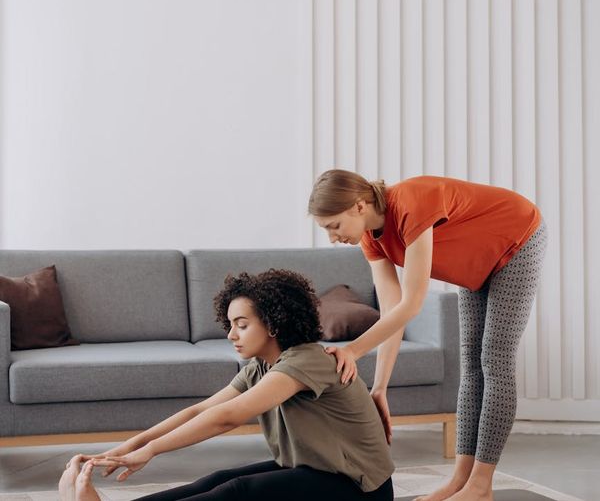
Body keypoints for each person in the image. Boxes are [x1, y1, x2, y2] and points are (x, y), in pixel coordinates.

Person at [308, 170, 548, 501]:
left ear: (359, 206)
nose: (332, 238)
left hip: (518, 237)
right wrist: (379, 387)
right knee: (471, 363)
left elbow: (412, 303)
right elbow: (393, 311)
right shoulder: (370, 239)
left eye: (333, 226)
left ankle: (481, 485)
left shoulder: (410, 202)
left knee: (494, 358)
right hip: (476, 262)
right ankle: (461, 480)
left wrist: (351, 351)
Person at [59, 269, 394, 501]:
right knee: (218, 481)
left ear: (273, 324)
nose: (231, 334)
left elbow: (228, 417)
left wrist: (150, 452)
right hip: (315, 472)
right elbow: (202, 410)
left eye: (242, 325)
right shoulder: (260, 368)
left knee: (237, 493)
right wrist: (123, 450)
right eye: (230, 324)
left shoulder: (308, 360)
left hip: (358, 488)